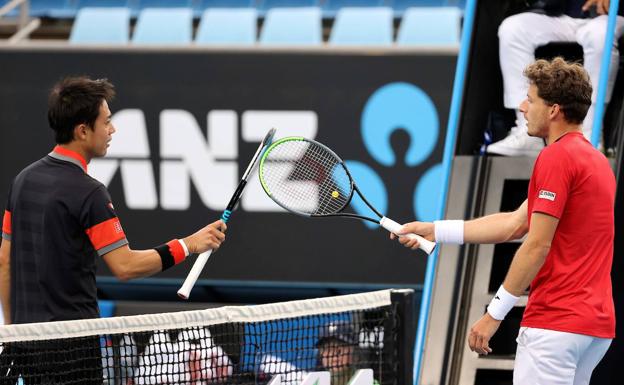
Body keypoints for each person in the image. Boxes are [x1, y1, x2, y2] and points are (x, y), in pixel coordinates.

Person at [394, 58, 615, 385]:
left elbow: (537, 245)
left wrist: (493, 315)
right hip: (593, 329)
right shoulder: (596, 162)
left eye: (531, 99)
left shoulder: (556, 158)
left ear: (553, 110)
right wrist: (436, 230)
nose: (523, 107)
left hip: (554, 325)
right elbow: (515, 223)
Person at [0, 77, 227, 383]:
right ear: (83, 130)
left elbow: (5, 262)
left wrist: (15, 331)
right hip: (73, 348)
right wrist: (189, 244)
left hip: (26, 343)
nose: (113, 130)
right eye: (106, 122)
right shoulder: (89, 192)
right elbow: (125, 267)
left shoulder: (22, 181)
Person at [487, 0, 624, 156]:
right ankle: (528, 129)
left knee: (599, 35)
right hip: (562, 13)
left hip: (612, 15)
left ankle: (590, 134)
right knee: (512, 29)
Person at [316, 321, 379, 385]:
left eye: (339, 347)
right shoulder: (313, 382)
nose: (333, 355)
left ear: (354, 351)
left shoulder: (369, 383)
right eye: (327, 349)